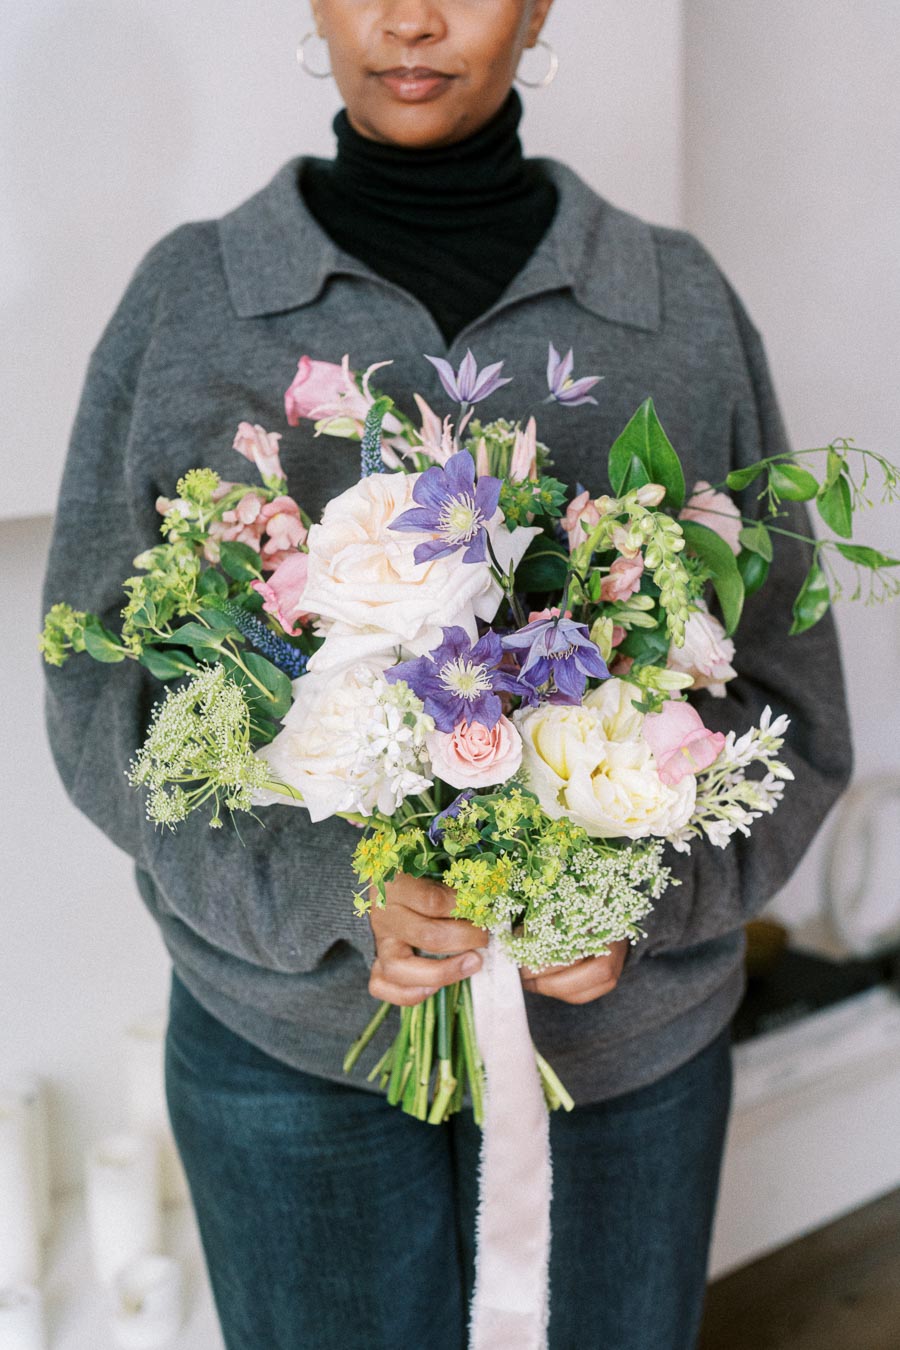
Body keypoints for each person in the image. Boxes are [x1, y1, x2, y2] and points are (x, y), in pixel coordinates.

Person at [41, 2, 853, 1347]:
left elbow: (789, 702)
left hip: (622, 1065)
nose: (411, 16)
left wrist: (628, 896)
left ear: (540, 5)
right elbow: (100, 701)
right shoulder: (192, 302)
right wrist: (329, 888)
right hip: (290, 1062)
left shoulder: (676, 304)